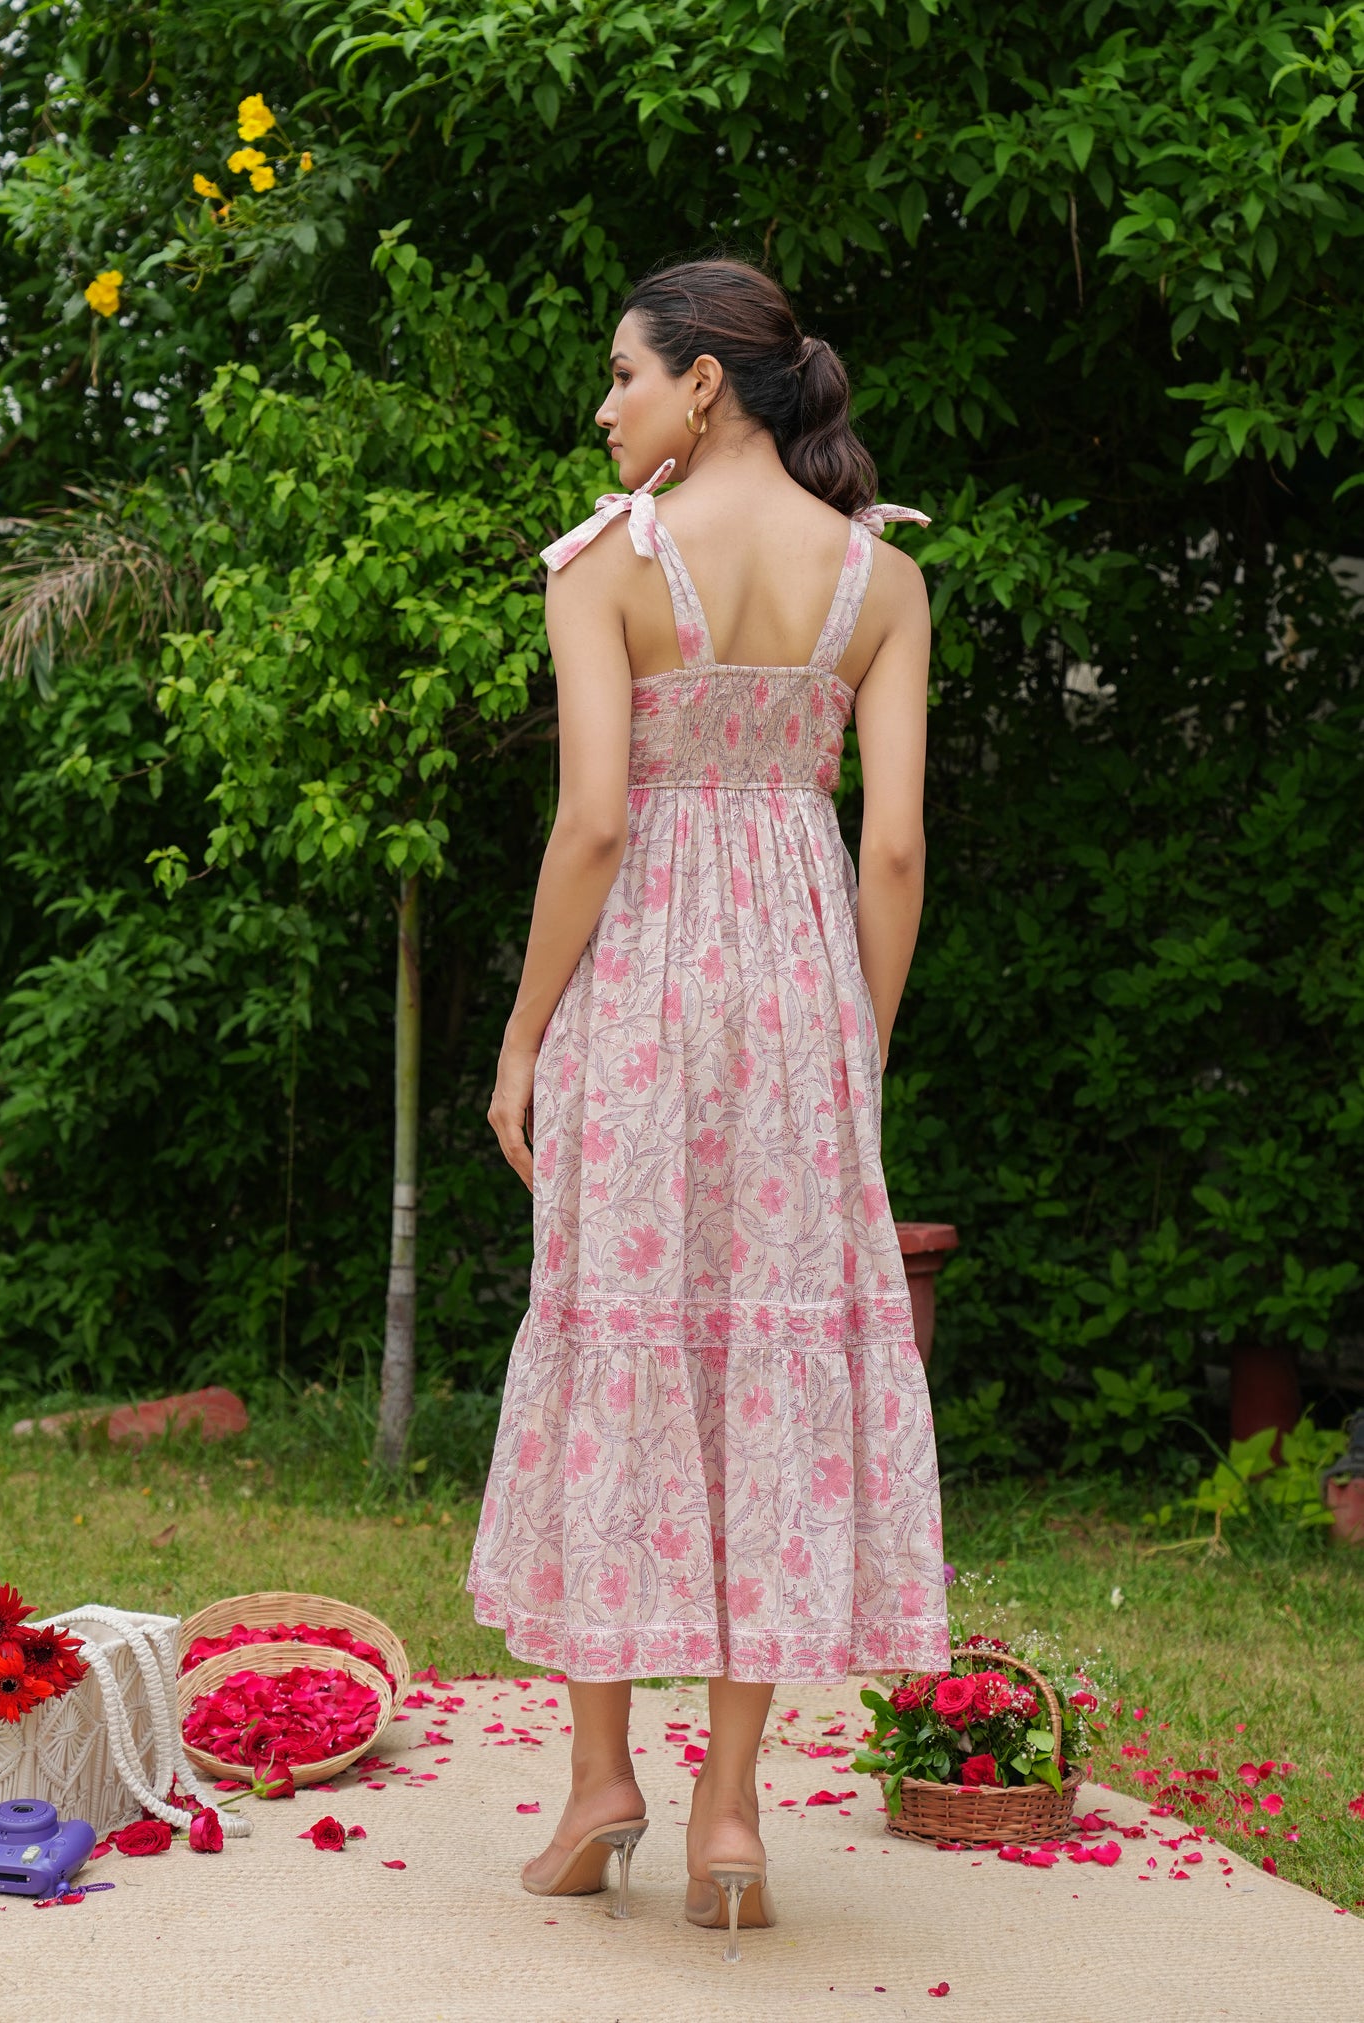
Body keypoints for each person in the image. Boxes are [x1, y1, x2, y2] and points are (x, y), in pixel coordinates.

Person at [466, 257, 950, 1959]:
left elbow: (592, 820)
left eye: (619, 374)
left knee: (618, 1345)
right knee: (768, 1368)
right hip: (803, 1001)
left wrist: (525, 1038)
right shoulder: (879, 582)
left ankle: (600, 1781)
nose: (600, 406)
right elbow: (890, 850)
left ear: (702, 387)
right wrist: (855, 1051)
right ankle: (730, 1813)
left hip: (646, 994)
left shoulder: (605, 569)